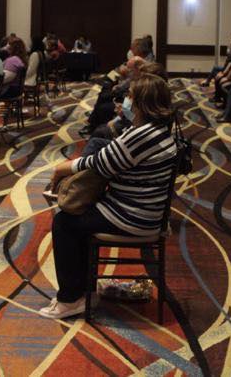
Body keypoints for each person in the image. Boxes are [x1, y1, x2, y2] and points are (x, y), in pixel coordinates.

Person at [39, 74, 177, 319]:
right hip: (142, 209)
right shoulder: (157, 130)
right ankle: (83, 291)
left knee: (64, 222)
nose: (125, 101)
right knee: (77, 217)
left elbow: (100, 164)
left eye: (130, 96)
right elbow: (109, 158)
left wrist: (61, 169)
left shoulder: (142, 135)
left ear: (141, 102)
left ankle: (70, 299)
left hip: (133, 215)